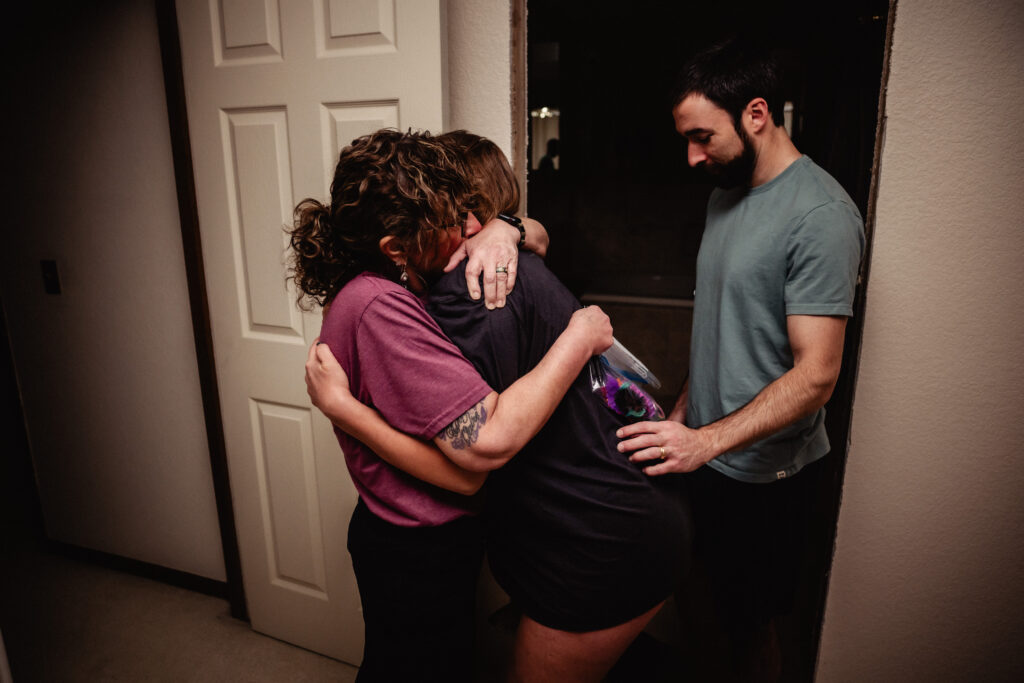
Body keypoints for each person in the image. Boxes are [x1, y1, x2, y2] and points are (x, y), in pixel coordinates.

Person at [307, 131, 691, 683]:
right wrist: (576, 333)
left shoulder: (478, 281)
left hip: (608, 533)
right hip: (618, 516)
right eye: (454, 217)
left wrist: (509, 229)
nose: (468, 230)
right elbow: (482, 446)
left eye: (473, 214)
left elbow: (532, 234)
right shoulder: (416, 299)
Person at [616, 37, 866, 682]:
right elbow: (726, 326)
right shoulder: (724, 193)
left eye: (702, 136)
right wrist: (682, 418)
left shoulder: (820, 214)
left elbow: (817, 375)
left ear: (756, 113)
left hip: (764, 476)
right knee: (694, 599)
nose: (692, 156)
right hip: (704, 450)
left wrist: (707, 442)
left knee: (750, 629)